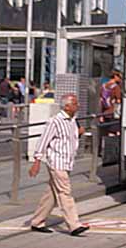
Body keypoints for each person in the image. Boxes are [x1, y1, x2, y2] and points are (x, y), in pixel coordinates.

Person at [29, 94, 89, 236]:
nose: (78, 105)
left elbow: (69, 140)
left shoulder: (73, 121)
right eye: (75, 103)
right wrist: (36, 161)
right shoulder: (55, 122)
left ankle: (37, 221)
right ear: (67, 106)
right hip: (57, 162)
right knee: (64, 192)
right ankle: (74, 225)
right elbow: (43, 141)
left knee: (51, 194)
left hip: (67, 162)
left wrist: (79, 134)